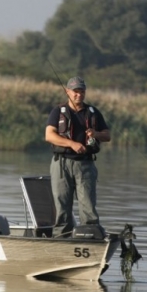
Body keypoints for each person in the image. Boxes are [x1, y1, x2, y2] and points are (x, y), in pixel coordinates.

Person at [44, 76, 111, 237]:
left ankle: (90, 234)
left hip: (86, 164)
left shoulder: (93, 112)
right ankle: (61, 236)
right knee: (61, 203)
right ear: (68, 92)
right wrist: (72, 144)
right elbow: (49, 136)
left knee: (87, 204)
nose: (78, 95)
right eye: (75, 92)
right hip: (61, 164)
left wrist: (96, 134)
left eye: (81, 91)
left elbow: (107, 135)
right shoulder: (57, 112)